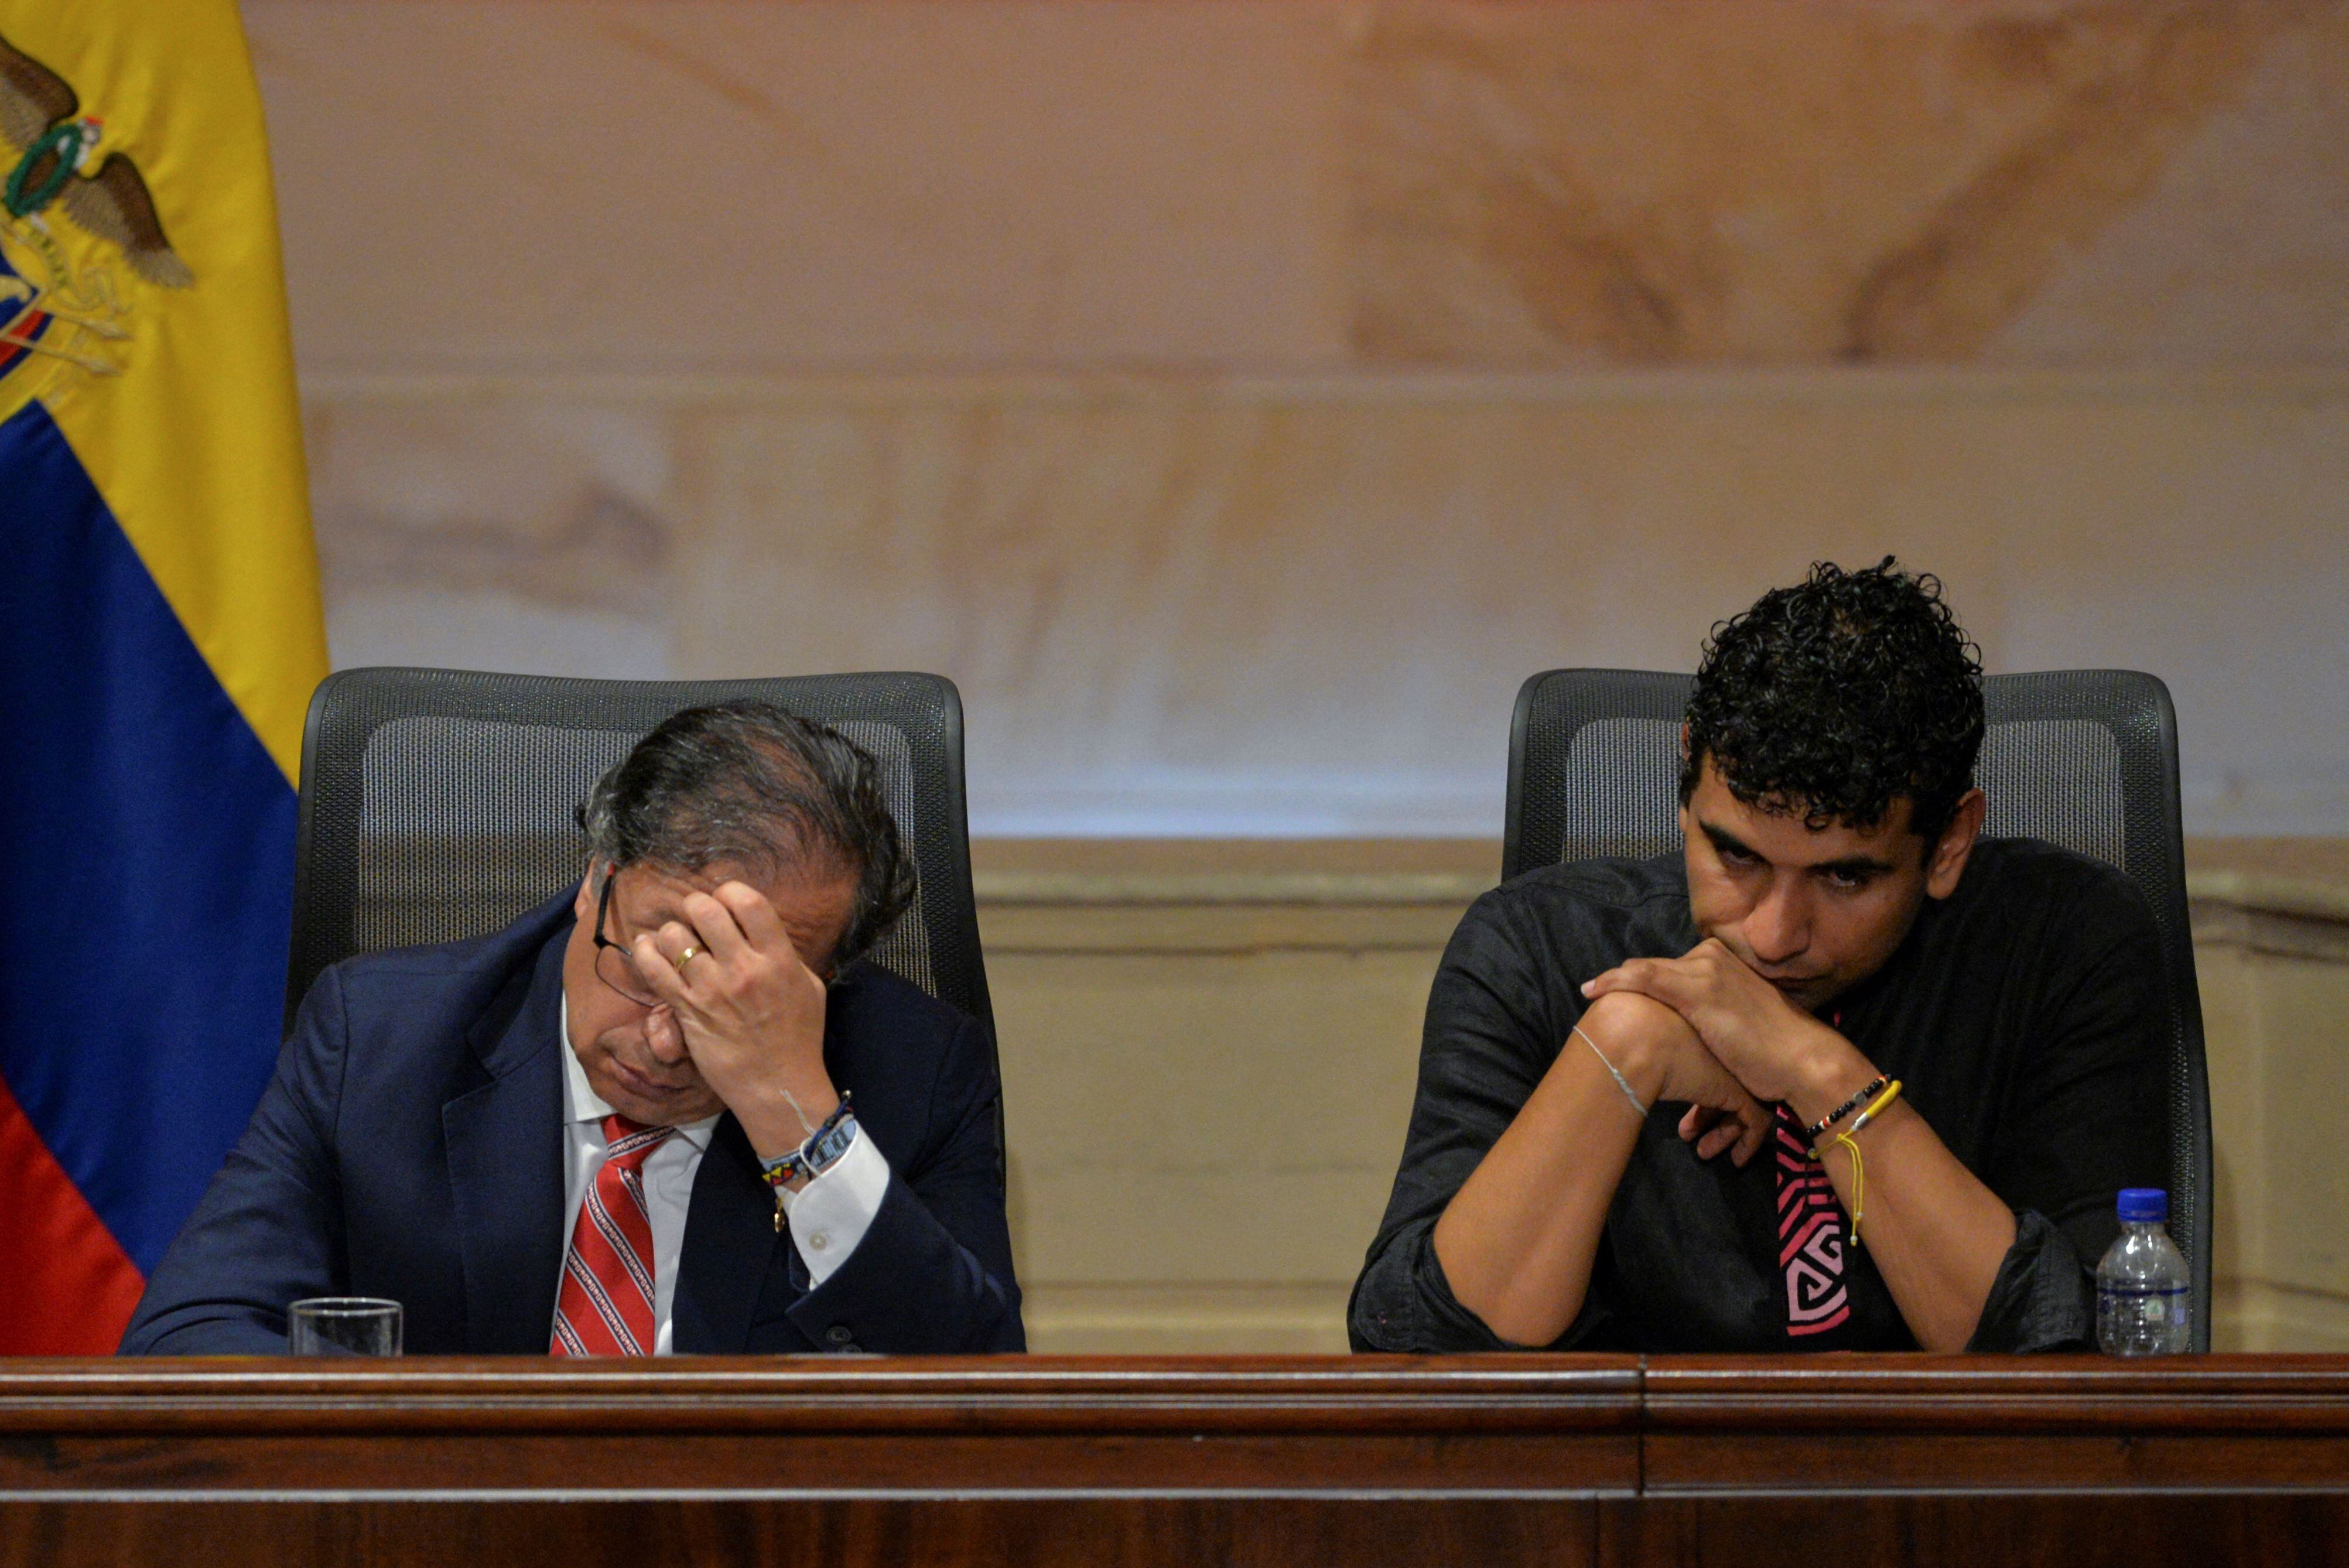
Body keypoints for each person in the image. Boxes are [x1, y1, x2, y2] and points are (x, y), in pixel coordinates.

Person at [1350, 560, 2167, 1354]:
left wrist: (1809, 1065)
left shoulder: (2062, 943)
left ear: (1949, 842)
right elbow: (1420, 1350)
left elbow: (2082, 1359)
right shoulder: (1533, 947)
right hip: (1639, 1479)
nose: (1775, 935)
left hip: (1940, 1484)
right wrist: (1626, 1044)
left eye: (1846, 875)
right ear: (1686, 783)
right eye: (1736, 856)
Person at [123, 700, 1022, 1355]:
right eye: (647, 963)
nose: (668, 1041)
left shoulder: (916, 1069)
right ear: (595, 881)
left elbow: (985, 1415)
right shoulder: (380, 1038)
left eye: (739, 995)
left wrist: (797, 1122)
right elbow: (183, 1341)